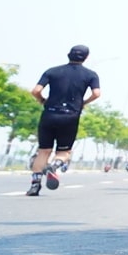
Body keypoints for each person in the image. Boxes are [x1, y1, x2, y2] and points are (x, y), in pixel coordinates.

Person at [26, 45, 101, 196]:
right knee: (64, 151)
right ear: (86, 58)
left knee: (43, 151)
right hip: (70, 116)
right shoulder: (90, 74)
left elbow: (36, 91)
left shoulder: (52, 71)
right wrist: (83, 103)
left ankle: (35, 185)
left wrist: (42, 101)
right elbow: (97, 93)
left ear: (68, 55)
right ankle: (54, 165)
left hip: (49, 114)